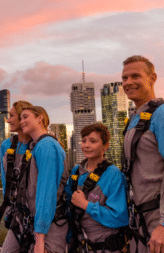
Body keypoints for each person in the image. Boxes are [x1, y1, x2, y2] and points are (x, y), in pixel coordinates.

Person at [0, 105, 65, 253]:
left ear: (40, 118)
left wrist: (39, 239)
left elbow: (46, 193)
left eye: (25, 117)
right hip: (29, 221)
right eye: (20, 117)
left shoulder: (47, 146)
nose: (21, 121)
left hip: (48, 226)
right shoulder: (36, 146)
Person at [121, 55, 164, 253]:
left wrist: (163, 225)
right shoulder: (135, 119)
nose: (128, 82)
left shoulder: (160, 114)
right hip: (139, 222)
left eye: (135, 76)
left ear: (152, 78)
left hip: (157, 220)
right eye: (124, 78)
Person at [65, 123, 128, 253]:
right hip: (81, 246)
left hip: (106, 247)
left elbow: (120, 218)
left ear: (105, 146)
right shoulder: (77, 171)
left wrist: (86, 205)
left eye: (93, 141)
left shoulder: (113, 174)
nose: (86, 145)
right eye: (83, 141)